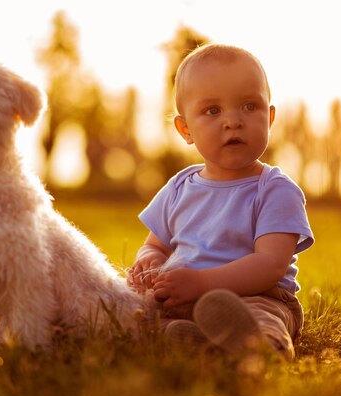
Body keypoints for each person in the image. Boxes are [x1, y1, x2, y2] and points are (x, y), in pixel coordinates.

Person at [128, 44, 314, 359]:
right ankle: (207, 344)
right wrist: (150, 261)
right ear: (185, 129)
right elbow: (155, 245)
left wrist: (201, 282)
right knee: (143, 316)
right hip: (186, 299)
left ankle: (265, 347)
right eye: (213, 111)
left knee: (262, 316)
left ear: (269, 117)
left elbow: (270, 265)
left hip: (258, 296)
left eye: (249, 106)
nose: (233, 121)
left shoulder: (275, 189)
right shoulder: (178, 188)